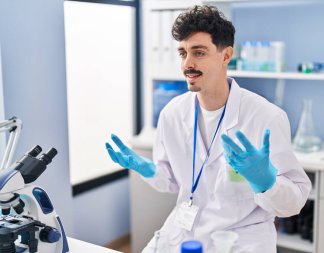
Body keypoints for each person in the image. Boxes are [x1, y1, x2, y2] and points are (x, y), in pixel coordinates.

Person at [106, 5, 311, 253]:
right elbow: (171, 181)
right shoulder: (172, 113)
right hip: (183, 231)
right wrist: (148, 169)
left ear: (226, 56)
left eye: (199, 53)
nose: (187, 64)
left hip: (241, 238)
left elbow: (293, 204)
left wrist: (265, 180)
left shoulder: (266, 117)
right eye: (182, 53)